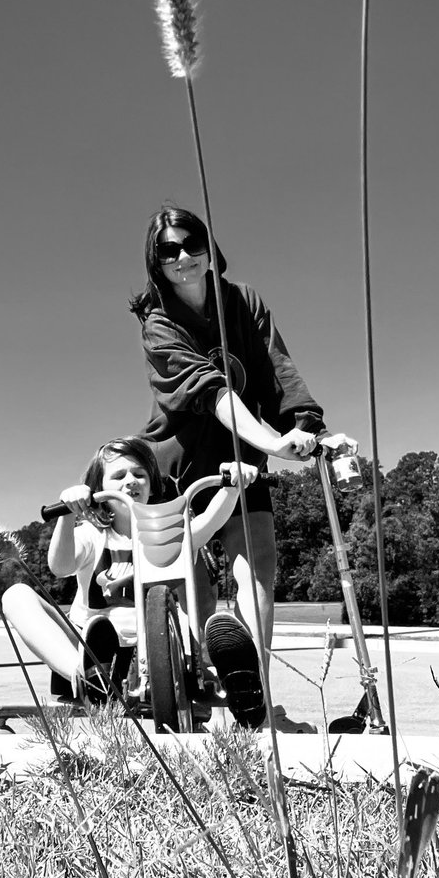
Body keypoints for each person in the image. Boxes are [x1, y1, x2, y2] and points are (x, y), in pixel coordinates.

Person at [130, 205, 347, 708]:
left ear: (209, 248)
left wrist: (310, 430)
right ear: (155, 262)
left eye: (192, 244)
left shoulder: (242, 300)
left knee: (258, 563)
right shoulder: (159, 323)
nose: (182, 256)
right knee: (192, 575)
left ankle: (253, 693)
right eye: (168, 250)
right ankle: (205, 680)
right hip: (179, 462)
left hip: (244, 456)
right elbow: (213, 391)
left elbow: (278, 369)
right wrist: (274, 442)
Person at [2, 436, 264, 724]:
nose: (131, 481)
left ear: (151, 484)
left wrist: (232, 487)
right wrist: (67, 514)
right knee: (16, 596)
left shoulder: (165, 531)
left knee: (215, 627)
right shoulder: (92, 533)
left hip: (152, 651)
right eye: (119, 475)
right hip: (93, 649)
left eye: (139, 474)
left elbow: (207, 525)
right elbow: (61, 567)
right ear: (98, 489)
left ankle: (240, 686)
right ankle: (86, 677)